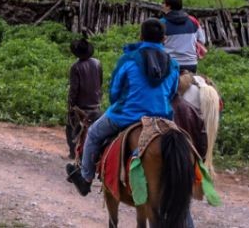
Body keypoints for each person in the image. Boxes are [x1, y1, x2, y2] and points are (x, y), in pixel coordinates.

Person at [67, 19, 180, 197]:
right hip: (161, 118)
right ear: (164, 39)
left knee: (94, 133)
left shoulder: (128, 59)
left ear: (141, 36)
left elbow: (114, 91)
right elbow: (172, 93)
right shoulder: (174, 65)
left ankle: (85, 178)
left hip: (127, 115)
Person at [66, 37, 103, 160]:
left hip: (81, 106)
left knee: (71, 127)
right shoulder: (97, 63)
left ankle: (73, 152)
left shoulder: (75, 67)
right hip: (96, 104)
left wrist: (71, 105)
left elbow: (74, 89)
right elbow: (100, 82)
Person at [161, 0, 206, 73]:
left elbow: (155, 44)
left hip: (169, 63)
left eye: (163, 3)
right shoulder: (193, 21)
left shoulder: (162, 23)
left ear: (168, 6)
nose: (162, 5)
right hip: (191, 64)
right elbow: (202, 40)